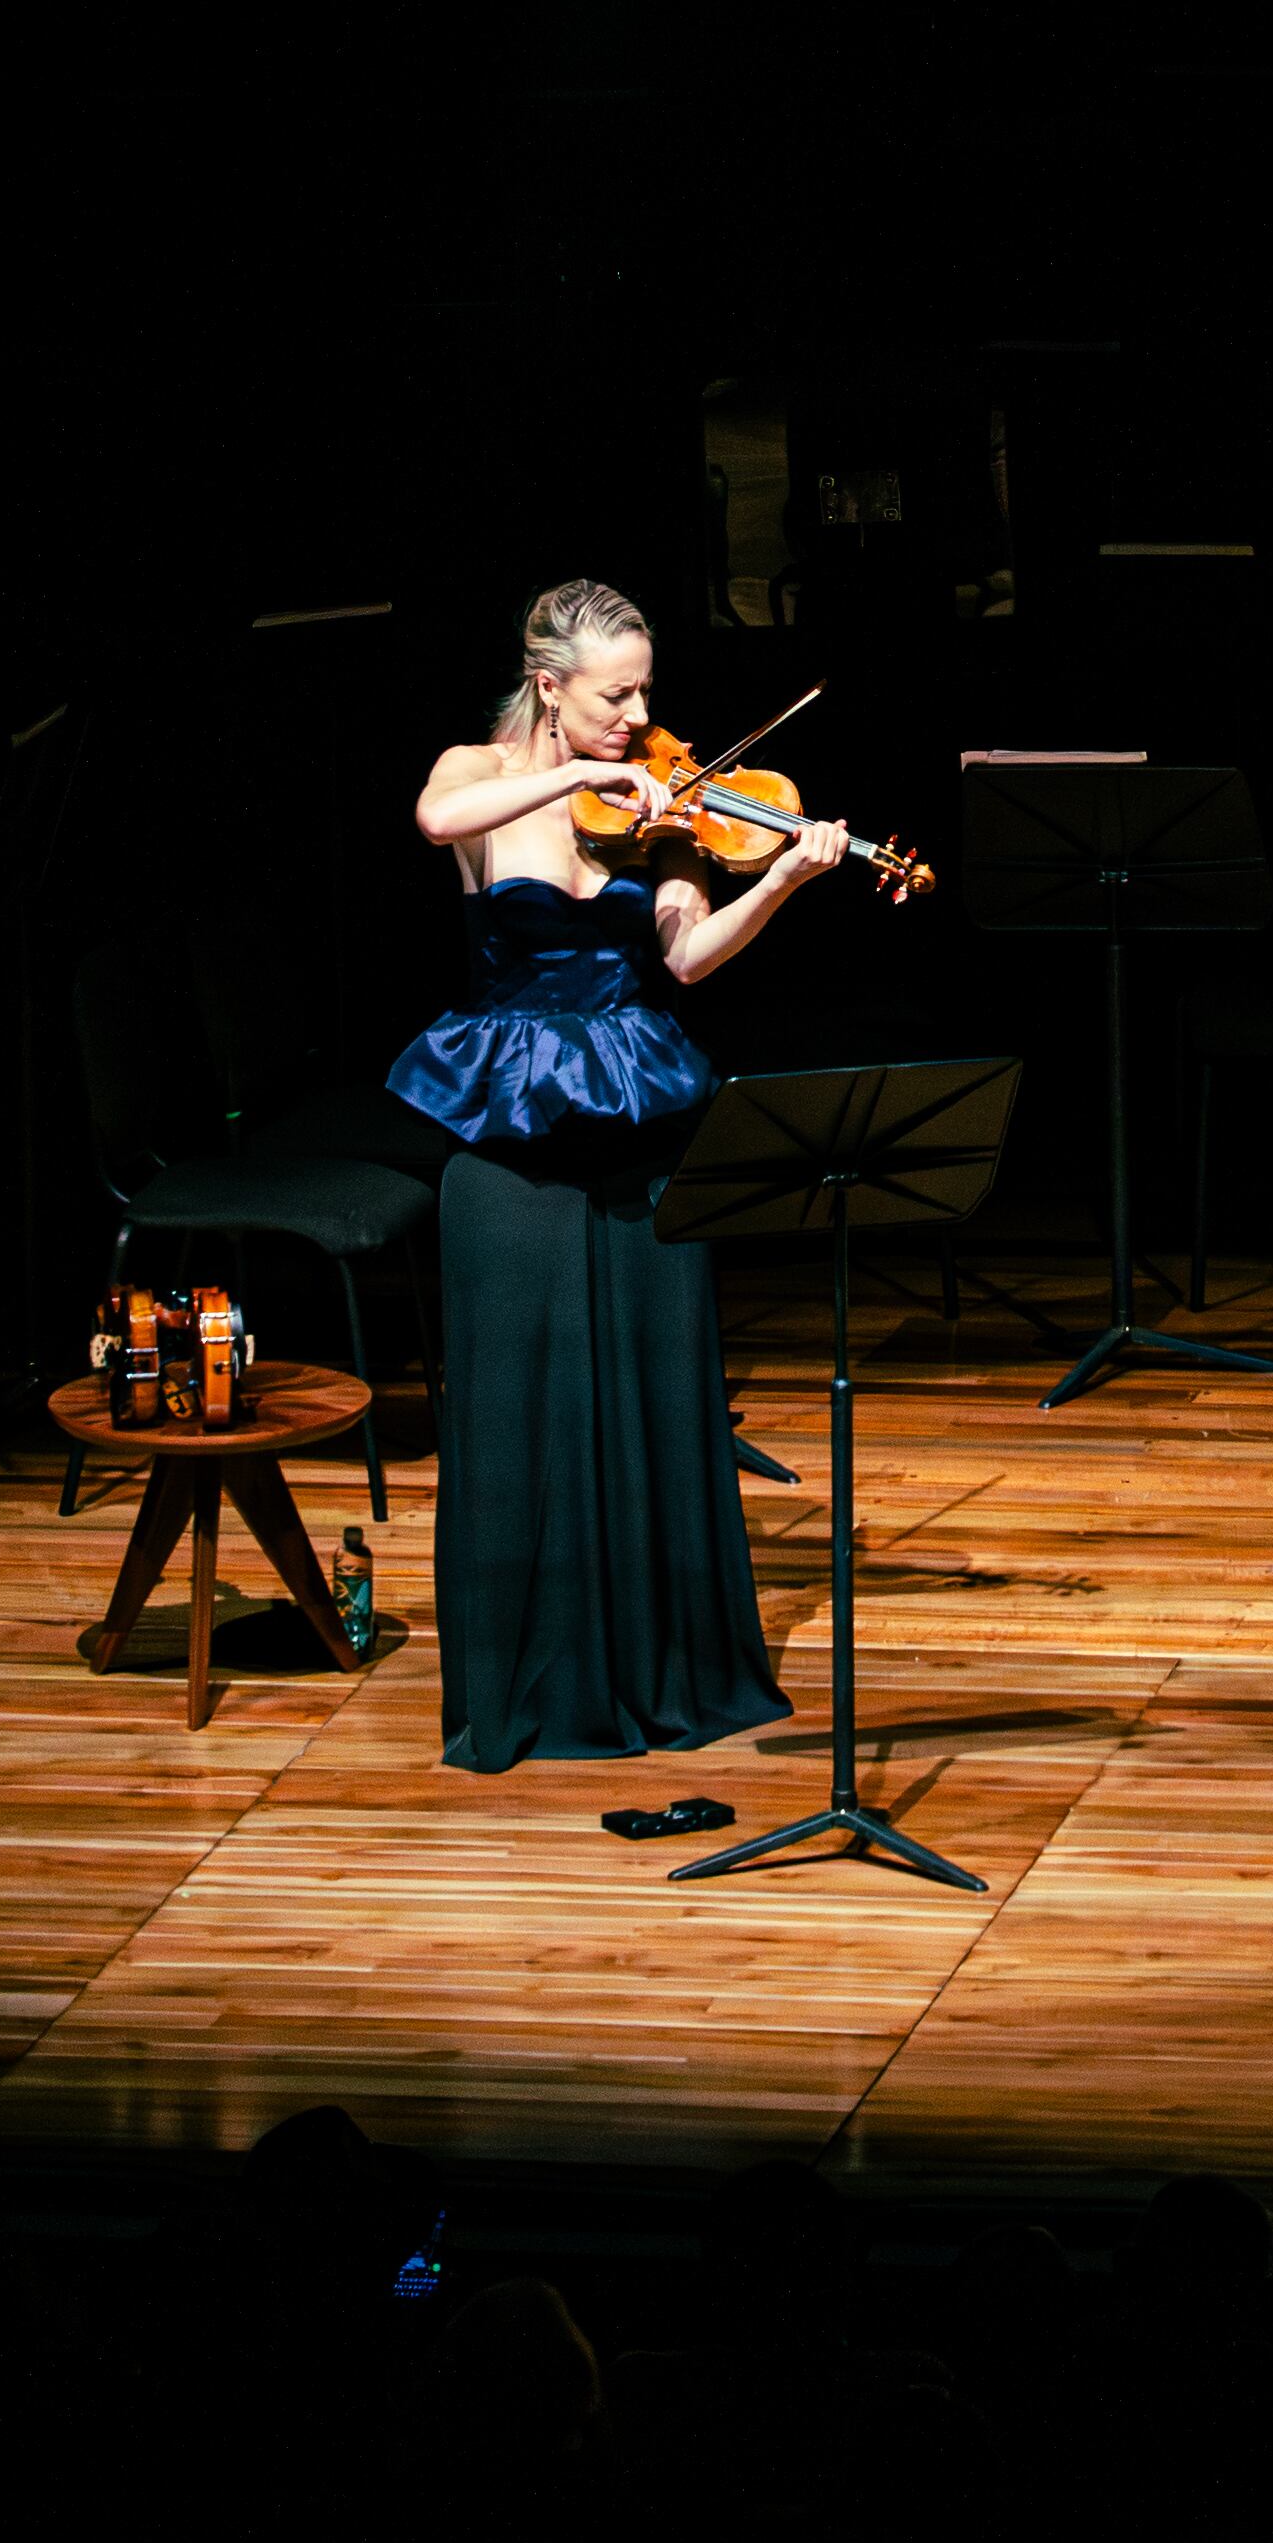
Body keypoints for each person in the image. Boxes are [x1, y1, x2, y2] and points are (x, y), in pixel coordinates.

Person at [391, 576, 850, 1771]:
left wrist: (783, 879)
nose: (638, 714)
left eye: (645, 687)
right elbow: (441, 822)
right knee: (519, 1403)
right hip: (510, 1121)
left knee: (657, 1389)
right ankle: (534, 1683)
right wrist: (576, 776)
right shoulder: (484, 776)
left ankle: (663, 1670)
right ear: (549, 686)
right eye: (614, 693)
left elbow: (688, 957)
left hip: (640, 1111)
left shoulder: (663, 798)